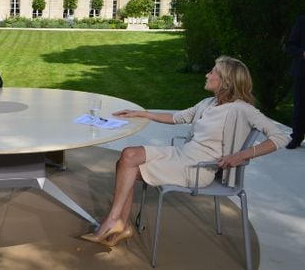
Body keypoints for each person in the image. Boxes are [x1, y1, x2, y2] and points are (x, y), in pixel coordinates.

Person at [81, 56, 288, 247]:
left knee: (126, 168)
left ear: (226, 81)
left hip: (199, 168)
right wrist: (141, 113)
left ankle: (115, 222)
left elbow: (281, 138)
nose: (207, 75)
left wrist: (240, 156)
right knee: (128, 155)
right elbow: (177, 117)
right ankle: (118, 223)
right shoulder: (208, 103)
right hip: (182, 154)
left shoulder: (242, 109)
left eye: (212, 72)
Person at [285, 15, 305, 149]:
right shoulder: (302, 21)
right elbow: (289, 45)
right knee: (300, 106)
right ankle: (297, 137)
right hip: (302, 72)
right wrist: (303, 53)